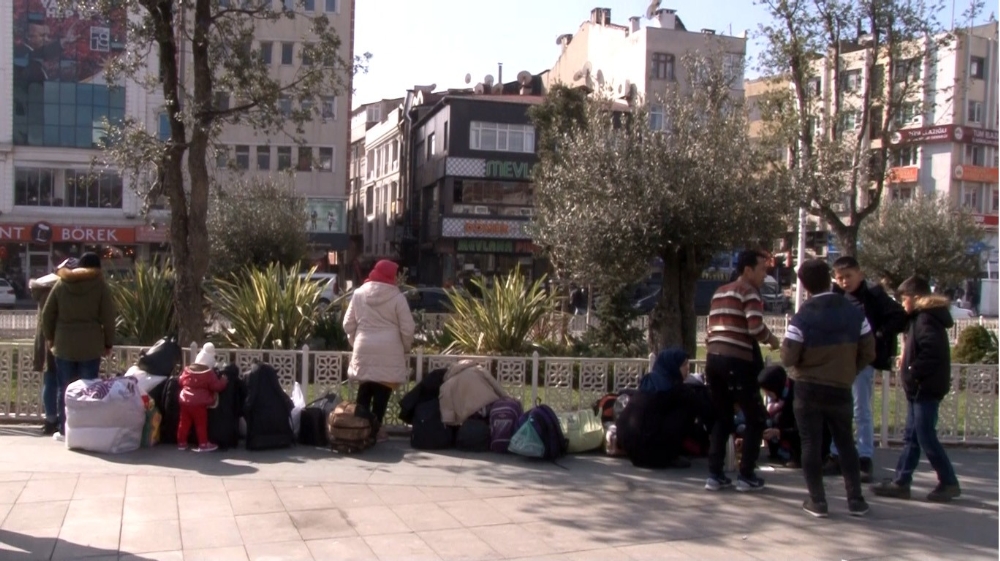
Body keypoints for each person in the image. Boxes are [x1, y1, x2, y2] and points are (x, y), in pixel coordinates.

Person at [781, 259, 876, 518]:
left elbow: (788, 356)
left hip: (808, 387)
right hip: (840, 387)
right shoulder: (854, 313)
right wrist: (849, 370)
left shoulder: (803, 316)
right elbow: (869, 351)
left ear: (804, 285)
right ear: (830, 279)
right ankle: (856, 500)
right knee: (846, 443)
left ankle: (818, 501)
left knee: (811, 443)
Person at [872, 276, 961, 503]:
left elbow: (931, 351)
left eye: (905, 299)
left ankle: (948, 481)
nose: (902, 303)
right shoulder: (920, 319)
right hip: (920, 388)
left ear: (917, 297)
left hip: (925, 388)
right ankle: (901, 481)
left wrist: (913, 370)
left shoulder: (926, 319)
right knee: (911, 437)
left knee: (925, 436)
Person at [703, 249, 780, 492]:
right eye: (762, 269)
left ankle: (714, 475)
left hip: (713, 359)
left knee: (723, 416)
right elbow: (755, 327)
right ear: (748, 270)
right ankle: (746, 475)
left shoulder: (720, 292)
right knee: (755, 417)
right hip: (737, 361)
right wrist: (773, 340)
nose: (765, 275)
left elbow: (709, 329)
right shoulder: (749, 291)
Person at [827, 256, 907, 482]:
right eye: (840, 278)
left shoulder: (873, 294)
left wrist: (877, 335)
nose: (844, 282)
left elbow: (898, 315)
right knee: (837, 409)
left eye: (848, 276)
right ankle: (836, 454)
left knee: (860, 408)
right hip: (838, 359)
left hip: (862, 360)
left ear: (859, 275)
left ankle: (864, 457)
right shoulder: (834, 295)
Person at [41, 252, 116, 441]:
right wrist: (108, 342)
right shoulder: (99, 286)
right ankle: (85, 430)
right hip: (91, 345)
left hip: (64, 344)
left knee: (65, 388)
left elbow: (47, 314)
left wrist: (50, 337)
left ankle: (64, 430)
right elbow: (108, 317)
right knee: (89, 389)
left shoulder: (62, 284)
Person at [343, 259, 415, 443]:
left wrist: (355, 342)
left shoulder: (359, 294)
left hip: (363, 347)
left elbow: (347, 324)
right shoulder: (397, 298)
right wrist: (405, 347)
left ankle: (359, 429)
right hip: (389, 350)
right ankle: (375, 431)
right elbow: (408, 328)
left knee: (365, 390)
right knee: (382, 391)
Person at [617, 348, 696, 469]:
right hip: (650, 453)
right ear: (673, 367)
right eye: (684, 364)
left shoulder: (650, 381)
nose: (688, 368)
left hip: (628, 447)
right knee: (687, 406)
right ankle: (670, 456)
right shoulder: (673, 389)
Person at [29, 258, 76, 435]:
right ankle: (64, 420)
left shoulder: (42, 288)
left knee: (50, 379)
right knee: (65, 382)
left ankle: (50, 419)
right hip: (63, 339)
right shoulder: (64, 288)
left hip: (45, 339)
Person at [177, 343, 228, 452]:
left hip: (185, 401)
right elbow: (217, 387)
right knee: (200, 424)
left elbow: (180, 381)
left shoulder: (187, 370)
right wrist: (224, 381)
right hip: (199, 404)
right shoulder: (208, 373)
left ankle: (181, 443)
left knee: (184, 423)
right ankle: (203, 444)